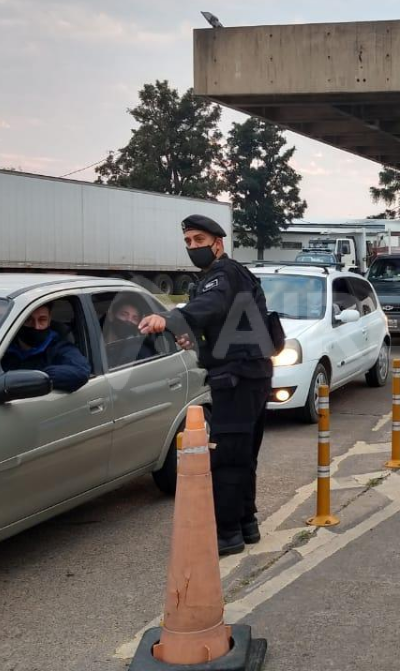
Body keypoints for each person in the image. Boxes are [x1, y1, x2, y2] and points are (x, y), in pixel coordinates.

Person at [138, 214, 275, 556]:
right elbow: (219, 320)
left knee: (227, 457)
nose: (193, 247)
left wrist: (168, 318)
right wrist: (193, 338)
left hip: (238, 378)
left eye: (199, 240)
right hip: (250, 374)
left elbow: (210, 305)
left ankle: (226, 534)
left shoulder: (223, 274)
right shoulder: (224, 275)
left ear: (218, 243)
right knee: (242, 455)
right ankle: (246, 524)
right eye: (188, 242)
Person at [1, 304, 91, 392]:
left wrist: (40, 376)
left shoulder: (59, 348)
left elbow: (81, 371)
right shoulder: (1, 347)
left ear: (49, 320)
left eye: (42, 320)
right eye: (28, 320)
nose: (36, 326)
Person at [103, 300, 156, 367]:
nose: (129, 320)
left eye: (135, 318)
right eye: (124, 314)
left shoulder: (138, 352)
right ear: (111, 316)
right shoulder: (93, 339)